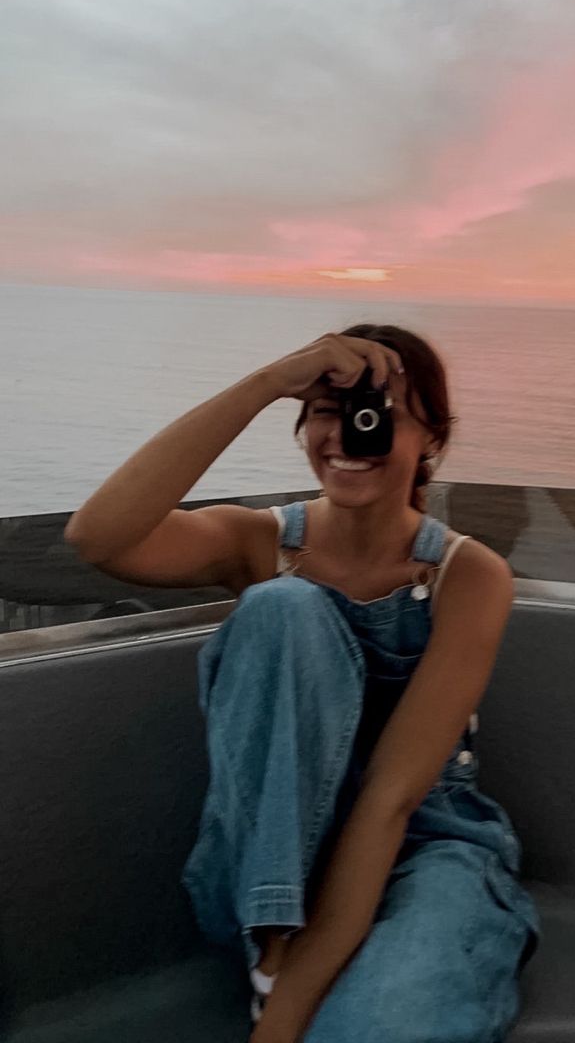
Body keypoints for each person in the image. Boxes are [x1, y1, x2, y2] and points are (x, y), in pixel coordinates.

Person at [64, 324, 541, 1042]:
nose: (351, 431)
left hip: (423, 839)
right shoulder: (256, 543)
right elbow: (98, 537)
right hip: (274, 851)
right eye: (327, 409)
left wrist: (282, 1020)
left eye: (380, 412)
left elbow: (390, 799)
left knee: (386, 1023)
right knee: (284, 605)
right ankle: (277, 946)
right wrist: (269, 381)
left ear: (430, 440)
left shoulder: (468, 577)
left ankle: (290, 968)